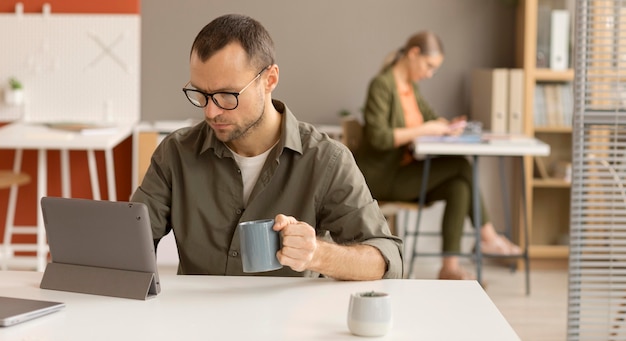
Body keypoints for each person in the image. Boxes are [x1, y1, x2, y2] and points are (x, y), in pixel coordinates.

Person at [131, 14, 403, 280]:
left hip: (289, 323)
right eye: (201, 94)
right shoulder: (175, 154)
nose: (211, 112)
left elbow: (386, 258)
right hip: (196, 321)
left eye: (227, 95)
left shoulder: (325, 160)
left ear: (270, 79)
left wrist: (318, 254)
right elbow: (131, 243)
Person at [354, 31, 520, 281]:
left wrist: (448, 125)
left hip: (404, 173)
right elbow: (379, 138)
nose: (429, 74)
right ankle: (489, 238)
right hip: (382, 178)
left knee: (458, 187)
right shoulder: (382, 85)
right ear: (413, 54)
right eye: (429, 66)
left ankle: (449, 268)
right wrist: (426, 129)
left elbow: (430, 117)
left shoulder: (410, 89)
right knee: (462, 167)